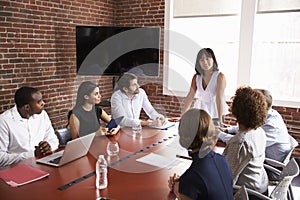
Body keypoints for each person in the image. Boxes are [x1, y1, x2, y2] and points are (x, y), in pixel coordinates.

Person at [168, 109, 233, 200]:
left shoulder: (190, 178)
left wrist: (178, 191)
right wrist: (182, 184)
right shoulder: (223, 160)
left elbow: (195, 181)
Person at [219, 89, 298, 163]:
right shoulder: (270, 115)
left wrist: (219, 135)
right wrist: (229, 130)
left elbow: (245, 143)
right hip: (262, 159)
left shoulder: (271, 125)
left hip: (269, 165)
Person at [222, 86, 269, 197]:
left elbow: (226, 180)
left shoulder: (240, 142)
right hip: (261, 189)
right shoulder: (259, 132)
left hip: (247, 195)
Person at [0, 87, 59, 167]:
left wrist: (48, 147)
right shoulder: (4, 121)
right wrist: (33, 154)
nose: (43, 103)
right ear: (27, 107)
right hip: (17, 169)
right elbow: (1, 158)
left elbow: (53, 140)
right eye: (39, 102)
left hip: (42, 164)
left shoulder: (42, 115)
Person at [182, 48, 227, 126]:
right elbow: (190, 96)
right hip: (201, 113)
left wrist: (220, 120)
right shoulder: (196, 77)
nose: (205, 62)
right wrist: (183, 116)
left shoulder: (220, 76)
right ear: (198, 62)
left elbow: (219, 98)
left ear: (213, 59)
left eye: (207, 58)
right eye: (202, 60)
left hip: (216, 114)